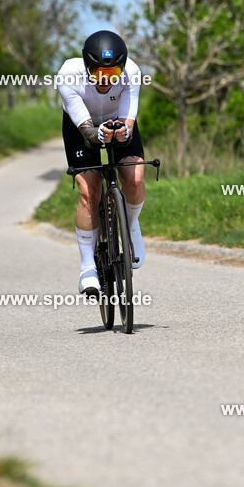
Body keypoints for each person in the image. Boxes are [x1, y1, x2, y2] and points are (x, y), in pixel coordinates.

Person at [57, 30, 146, 296]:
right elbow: (85, 129)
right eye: (98, 74)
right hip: (80, 126)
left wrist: (124, 132)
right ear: (86, 68)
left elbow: (129, 120)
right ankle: (87, 267)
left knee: (135, 178)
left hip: (117, 118)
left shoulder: (132, 72)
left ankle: (130, 226)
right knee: (89, 191)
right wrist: (96, 134)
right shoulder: (68, 75)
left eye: (112, 73)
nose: (106, 80)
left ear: (122, 67)